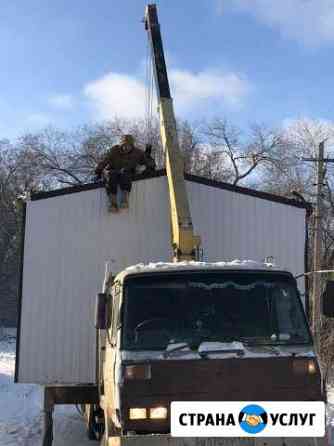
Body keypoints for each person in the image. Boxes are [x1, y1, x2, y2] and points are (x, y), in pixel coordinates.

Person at [95, 134, 155, 212]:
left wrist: (150, 167)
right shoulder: (114, 150)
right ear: (121, 145)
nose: (126, 148)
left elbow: (147, 160)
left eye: (128, 146)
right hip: (114, 170)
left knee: (125, 174)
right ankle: (113, 202)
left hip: (127, 172)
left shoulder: (137, 153)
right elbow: (105, 160)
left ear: (132, 146)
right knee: (110, 176)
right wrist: (99, 170)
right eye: (124, 145)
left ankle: (124, 198)